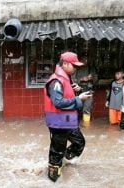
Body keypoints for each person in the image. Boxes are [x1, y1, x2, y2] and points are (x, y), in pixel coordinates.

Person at [44, 52, 92, 182]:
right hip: (58, 121)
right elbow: (58, 102)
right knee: (57, 150)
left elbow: (66, 96)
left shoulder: (66, 78)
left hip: (67, 120)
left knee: (79, 142)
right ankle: (53, 178)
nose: (76, 68)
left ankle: (63, 162)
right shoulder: (56, 80)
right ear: (65, 64)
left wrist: (76, 91)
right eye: (74, 66)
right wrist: (79, 98)